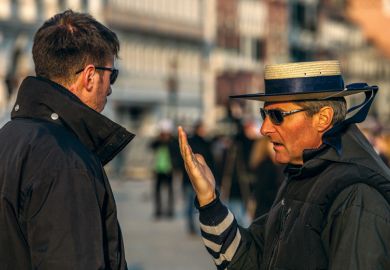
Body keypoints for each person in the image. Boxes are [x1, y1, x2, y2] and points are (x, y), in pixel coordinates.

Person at [178, 60, 390, 270]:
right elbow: (249, 259)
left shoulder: (356, 195)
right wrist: (209, 201)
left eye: (277, 116)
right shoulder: (304, 175)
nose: (264, 129)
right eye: (264, 114)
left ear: (323, 118)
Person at [0, 10, 133, 269]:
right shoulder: (65, 161)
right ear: (90, 77)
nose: (110, 88)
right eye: (111, 76)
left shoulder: (8, 136)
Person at [182, 121, 214, 234]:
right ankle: (194, 227)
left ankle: (196, 227)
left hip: (192, 179)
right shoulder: (199, 143)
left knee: (194, 205)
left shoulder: (200, 142)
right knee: (194, 205)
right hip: (193, 179)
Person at [150, 119, 179, 219]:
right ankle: (158, 211)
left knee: (170, 192)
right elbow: (151, 145)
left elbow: (175, 150)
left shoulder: (172, 142)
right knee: (157, 192)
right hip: (159, 170)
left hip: (169, 170)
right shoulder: (158, 142)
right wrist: (160, 138)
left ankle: (170, 211)